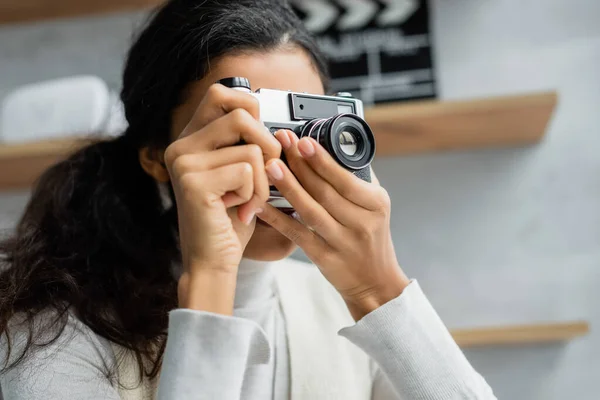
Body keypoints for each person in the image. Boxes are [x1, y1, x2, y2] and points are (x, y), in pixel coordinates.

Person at [0, 1, 496, 399]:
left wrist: (379, 290)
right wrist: (212, 282)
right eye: (242, 136)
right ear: (156, 157)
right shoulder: (51, 331)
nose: (279, 167)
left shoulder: (342, 308)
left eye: (301, 133)